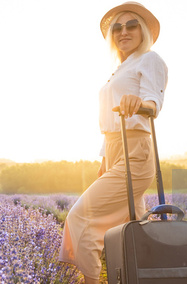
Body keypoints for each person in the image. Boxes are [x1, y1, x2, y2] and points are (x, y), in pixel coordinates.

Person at [57, 2, 168, 283]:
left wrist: (139, 103)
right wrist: (105, 158)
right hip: (114, 152)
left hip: (136, 153)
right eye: (118, 28)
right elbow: (107, 121)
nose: (124, 31)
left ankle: (89, 280)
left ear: (143, 31)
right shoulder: (119, 69)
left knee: (80, 218)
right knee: (136, 232)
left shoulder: (149, 59)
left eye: (131, 25)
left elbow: (153, 104)